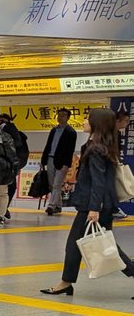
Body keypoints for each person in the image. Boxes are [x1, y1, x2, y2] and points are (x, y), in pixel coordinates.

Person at [40, 108, 134, 295]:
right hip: (101, 204)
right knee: (106, 244)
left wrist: (94, 208)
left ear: (96, 124)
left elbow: (98, 182)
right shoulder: (101, 146)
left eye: (87, 119)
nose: (83, 121)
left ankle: (66, 282)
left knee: (79, 243)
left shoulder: (96, 149)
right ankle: (66, 282)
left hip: (94, 205)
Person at [41, 108, 77, 215]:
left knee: (57, 184)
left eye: (63, 115)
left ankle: (51, 206)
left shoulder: (71, 132)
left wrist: (66, 164)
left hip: (62, 162)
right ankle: (58, 205)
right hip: (50, 159)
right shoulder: (53, 130)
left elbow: (70, 150)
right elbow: (48, 145)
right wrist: (43, 160)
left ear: (68, 118)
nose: (60, 117)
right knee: (52, 184)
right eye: (59, 115)